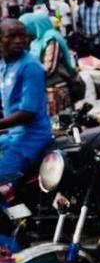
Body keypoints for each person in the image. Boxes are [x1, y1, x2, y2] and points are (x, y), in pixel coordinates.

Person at [0, 19, 53, 184]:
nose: (18, 40)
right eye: (12, 36)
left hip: (30, 137)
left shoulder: (30, 67)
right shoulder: (4, 65)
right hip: (13, 134)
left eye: (21, 36)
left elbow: (28, 113)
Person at [19, 13, 80, 115]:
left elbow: (50, 68)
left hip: (55, 87)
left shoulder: (51, 39)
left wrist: (27, 74)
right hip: (42, 86)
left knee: (58, 123)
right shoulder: (36, 41)